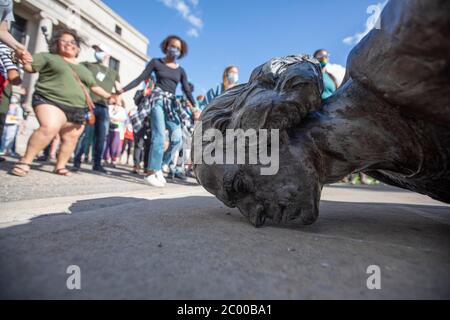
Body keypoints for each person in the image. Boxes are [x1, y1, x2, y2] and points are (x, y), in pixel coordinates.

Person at [11, 28, 117, 177]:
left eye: (72, 42)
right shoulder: (48, 57)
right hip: (50, 99)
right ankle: (25, 161)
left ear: (78, 47)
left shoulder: (83, 69)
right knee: (50, 127)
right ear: (56, 44)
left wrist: (110, 96)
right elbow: (29, 67)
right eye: (64, 41)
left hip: (77, 107)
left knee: (71, 138)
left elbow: (94, 86)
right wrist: (21, 57)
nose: (69, 44)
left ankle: (60, 166)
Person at [116, 35, 198, 188]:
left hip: (172, 104)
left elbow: (187, 90)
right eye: (172, 46)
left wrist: (195, 108)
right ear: (166, 46)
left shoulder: (181, 71)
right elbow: (140, 78)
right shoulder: (156, 62)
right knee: (159, 135)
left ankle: (161, 166)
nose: (175, 49)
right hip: (157, 100)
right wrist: (123, 89)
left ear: (181, 52)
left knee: (177, 138)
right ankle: (150, 172)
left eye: (178, 48)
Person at [72, 43, 122, 173]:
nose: (97, 52)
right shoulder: (87, 65)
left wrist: (117, 101)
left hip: (103, 106)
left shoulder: (113, 73)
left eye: (100, 50)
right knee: (84, 134)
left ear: (107, 55)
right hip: (88, 104)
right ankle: (76, 161)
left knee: (101, 136)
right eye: (96, 50)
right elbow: (75, 74)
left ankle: (97, 163)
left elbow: (119, 89)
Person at [103, 98, 127, 167]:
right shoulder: (109, 107)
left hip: (117, 129)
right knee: (107, 144)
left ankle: (113, 159)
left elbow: (124, 119)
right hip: (108, 128)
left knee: (115, 145)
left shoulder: (122, 109)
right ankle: (106, 159)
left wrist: (115, 119)